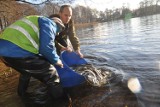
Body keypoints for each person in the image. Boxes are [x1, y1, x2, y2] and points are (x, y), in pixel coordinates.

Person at [0, 15, 66, 99]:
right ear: (58, 25)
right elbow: (46, 48)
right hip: (17, 50)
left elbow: (39, 50)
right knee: (51, 74)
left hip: (4, 52)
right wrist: (57, 60)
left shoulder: (36, 20)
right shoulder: (50, 23)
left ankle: (22, 96)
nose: (58, 33)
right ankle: (61, 102)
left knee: (26, 72)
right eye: (58, 31)